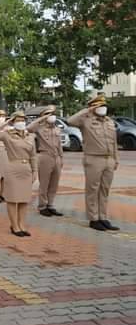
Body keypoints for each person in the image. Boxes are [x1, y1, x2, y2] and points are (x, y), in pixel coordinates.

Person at [67, 95, 120, 231]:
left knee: (105, 190)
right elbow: (70, 121)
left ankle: (103, 217)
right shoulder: (86, 121)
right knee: (93, 190)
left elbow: (113, 142)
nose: (102, 108)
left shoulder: (109, 121)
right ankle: (93, 218)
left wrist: (116, 158)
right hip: (93, 159)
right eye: (99, 106)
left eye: (104, 106)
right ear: (93, 107)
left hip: (108, 159)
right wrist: (87, 110)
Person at [0, 112, 37, 237]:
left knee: (24, 199)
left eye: (23, 119)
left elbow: (33, 155)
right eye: (18, 120)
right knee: (12, 199)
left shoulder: (30, 136)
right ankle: (14, 226)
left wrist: (34, 171)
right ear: (13, 122)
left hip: (26, 168)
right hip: (13, 168)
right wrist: (7, 122)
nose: (21, 122)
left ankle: (22, 225)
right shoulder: (7, 135)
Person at [27, 106, 64, 218]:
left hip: (56, 157)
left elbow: (59, 145)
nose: (51, 115)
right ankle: (42, 206)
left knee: (54, 183)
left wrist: (61, 158)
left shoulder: (57, 128)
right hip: (45, 156)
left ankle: (50, 205)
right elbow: (29, 128)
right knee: (44, 183)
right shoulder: (40, 128)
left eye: (52, 113)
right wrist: (41, 119)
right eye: (48, 114)